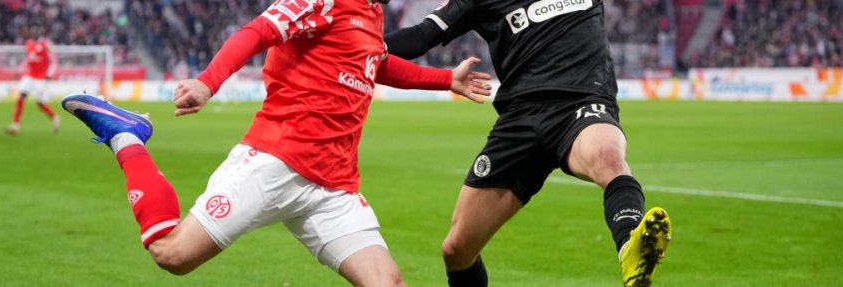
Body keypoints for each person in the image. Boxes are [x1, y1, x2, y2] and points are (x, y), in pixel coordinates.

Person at [60, 0, 492, 284]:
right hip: (274, 162)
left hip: (334, 187)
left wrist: (444, 80)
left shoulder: (371, 12)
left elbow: (375, 63)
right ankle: (125, 136)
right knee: (172, 254)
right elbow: (258, 31)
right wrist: (209, 83)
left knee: (388, 283)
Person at [385, 0, 672, 286]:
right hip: (520, 120)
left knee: (608, 157)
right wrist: (356, 46)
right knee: (457, 250)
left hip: (583, 102)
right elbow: (420, 37)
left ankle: (631, 247)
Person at [6, 38, 60, 135]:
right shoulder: (29, 44)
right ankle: (15, 125)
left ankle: (54, 117)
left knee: (40, 103)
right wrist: (19, 71)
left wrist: (49, 74)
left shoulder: (45, 43)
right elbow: (28, 60)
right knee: (21, 97)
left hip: (41, 78)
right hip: (29, 76)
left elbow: (53, 59)